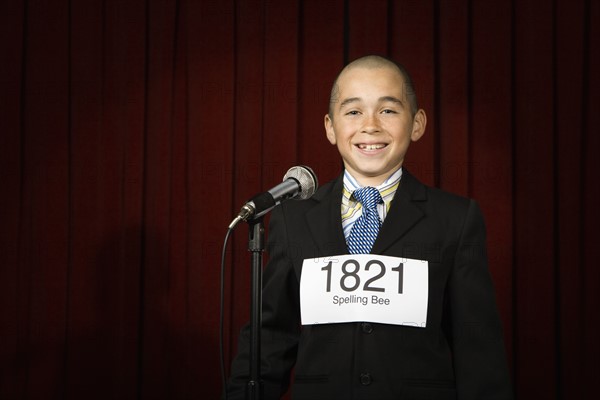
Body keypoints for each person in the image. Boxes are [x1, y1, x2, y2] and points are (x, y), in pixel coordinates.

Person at [225, 55, 513, 400]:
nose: (371, 126)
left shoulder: (456, 218)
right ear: (330, 127)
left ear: (417, 123)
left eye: (388, 110)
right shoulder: (292, 218)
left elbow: (477, 350)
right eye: (353, 111)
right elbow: (270, 339)